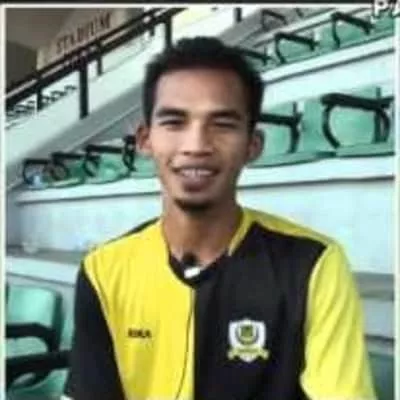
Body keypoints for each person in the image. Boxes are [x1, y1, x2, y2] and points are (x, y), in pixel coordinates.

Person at [63, 37, 376, 400]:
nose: (196, 145)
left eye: (223, 124)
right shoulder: (103, 270)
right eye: (174, 122)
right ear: (145, 141)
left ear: (252, 145)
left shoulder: (315, 264)